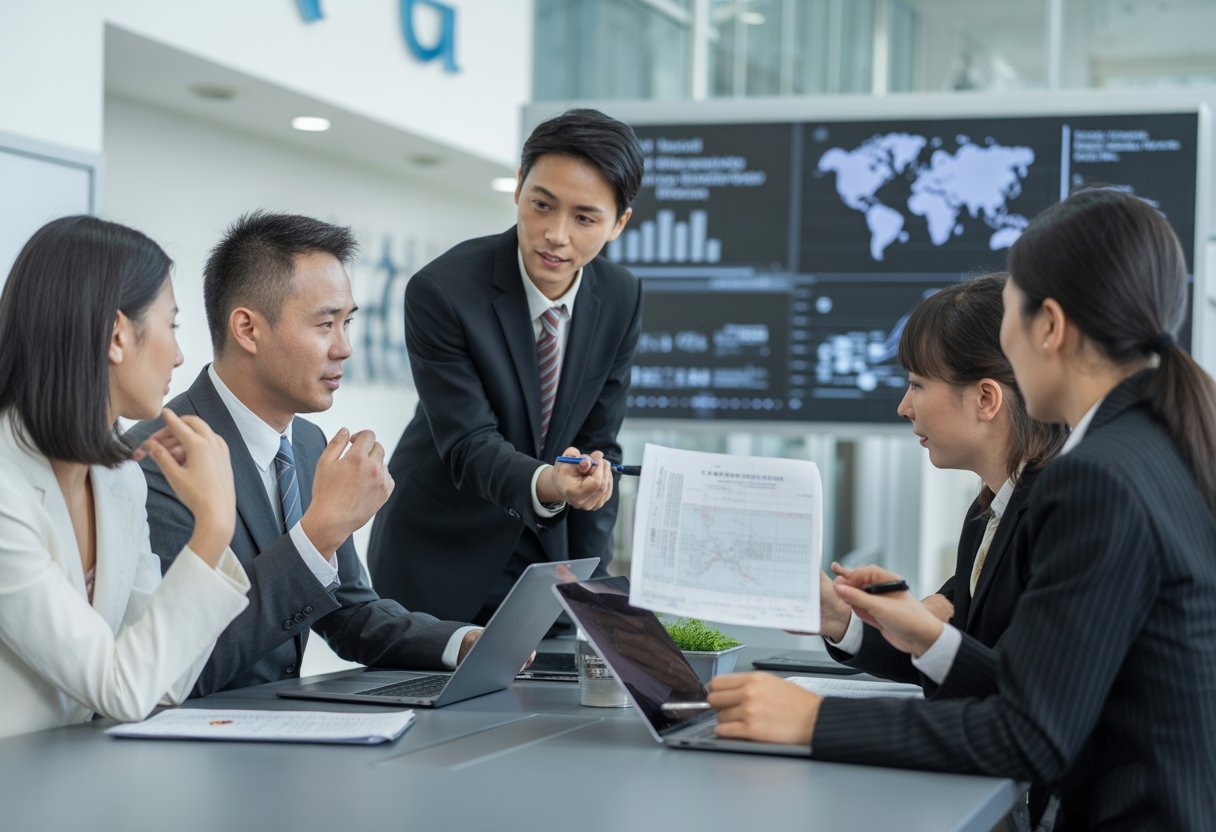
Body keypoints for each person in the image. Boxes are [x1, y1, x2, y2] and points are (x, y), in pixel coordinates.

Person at [707, 189, 1216, 830]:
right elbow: (1044, 692)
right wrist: (902, 629)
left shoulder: (1094, 480)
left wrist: (810, 719)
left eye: (1010, 311)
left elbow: (1031, 734)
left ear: (1050, 326)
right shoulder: (1158, 443)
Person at [127, 212, 479, 696]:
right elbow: (184, 666)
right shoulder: (158, 457)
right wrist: (320, 534)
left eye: (348, 322)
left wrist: (460, 642)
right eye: (325, 324)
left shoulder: (310, 442)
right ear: (248, 330)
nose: (344, 348)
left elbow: (348, 611)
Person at [367, 108, 643, 624]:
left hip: (549, 557)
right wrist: (551, 483)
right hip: (442, 551)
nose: (556, 235)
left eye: (584, 218)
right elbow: (470, 443)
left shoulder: (621, 296)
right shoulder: (443, 291)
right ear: (518, 187)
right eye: (542, 205)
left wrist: (591, 587)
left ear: (618, 223)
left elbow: (599, 443)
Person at [0, 216, 250, 737]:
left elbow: (163, 681)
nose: (180, 355)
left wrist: (213, 529)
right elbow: (122, 688)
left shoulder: (118, 479)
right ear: (117, 334)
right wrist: (214, 525)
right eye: (173, 325)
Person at [820, 274, 1065, 690]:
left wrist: (810, 721)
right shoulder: (989, 510)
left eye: (917, 384)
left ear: (986, 398)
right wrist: (838, 616)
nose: (904, 407)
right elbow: (950, 658)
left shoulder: (1060, 513)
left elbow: (1015, 696)